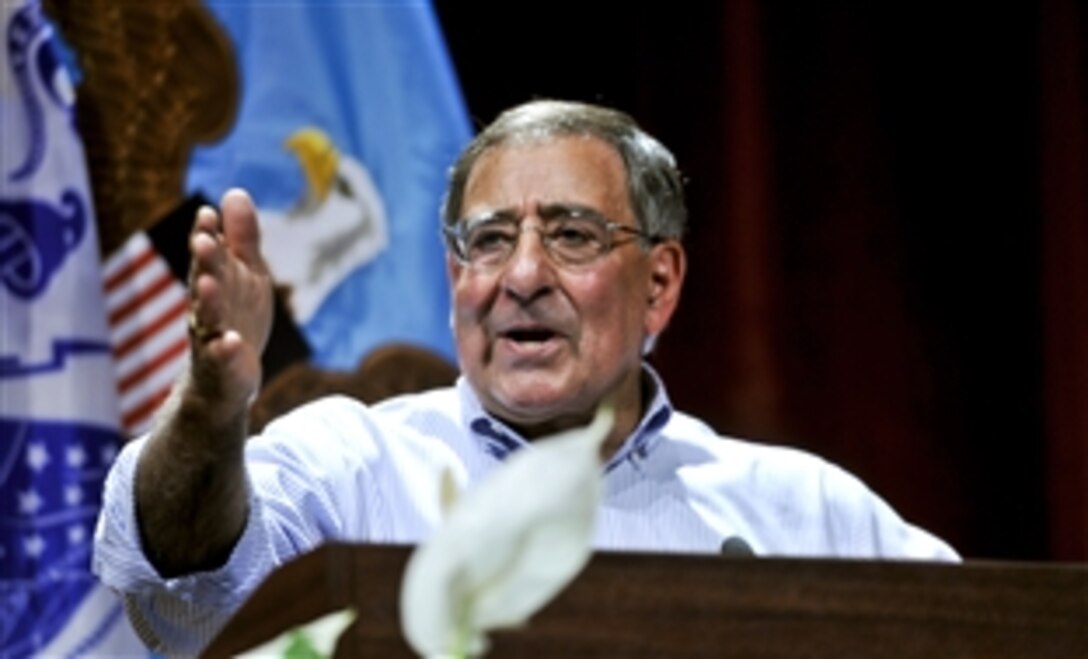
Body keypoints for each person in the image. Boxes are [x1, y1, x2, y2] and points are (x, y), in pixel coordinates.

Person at [93, 100, 958, 654]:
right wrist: (211, 411)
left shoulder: (802, 513)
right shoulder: (350, 464)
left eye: (573, 235)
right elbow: (184, 576)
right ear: (454, 278)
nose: (522, 275)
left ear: (659, 283)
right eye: (491, 239)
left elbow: (988, 633)